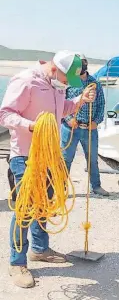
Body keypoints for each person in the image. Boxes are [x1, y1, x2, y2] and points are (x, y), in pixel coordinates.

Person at [0, 50, 96, 288]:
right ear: (55, 69)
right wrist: (33, 126)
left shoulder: (58, 85)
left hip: (49, 156)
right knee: (26, 208)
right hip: (25, 156)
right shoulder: (25, 80)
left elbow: (61, 111)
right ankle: (17, 261)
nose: (67, 84)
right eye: (66, 79)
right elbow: (5, 114)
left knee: (44, 203)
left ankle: (40, 249)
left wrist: (80, 100)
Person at [61, 53, 109, 196]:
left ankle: (96, 186)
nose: (80, 66)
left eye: (82, 63)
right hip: (70, 128)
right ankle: (61, 188)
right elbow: (61, 102)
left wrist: (96, 121)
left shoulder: (95, 83)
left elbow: (101, 104)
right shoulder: (68, 82)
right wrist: (68, 118)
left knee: (92, 160)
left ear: (86, 63)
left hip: (89, 129)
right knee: (65, 159)